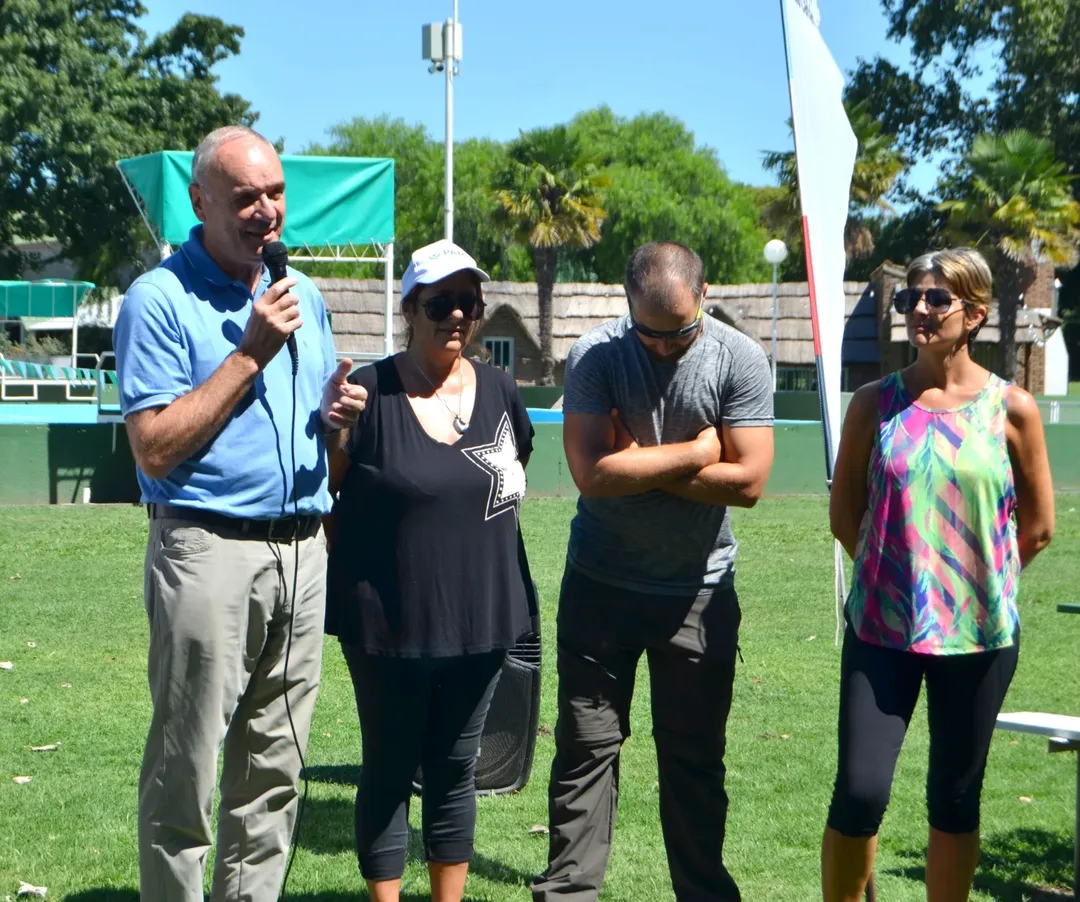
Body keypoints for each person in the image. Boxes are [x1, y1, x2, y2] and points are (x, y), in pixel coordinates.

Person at [113, 125, 367, 902]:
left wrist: (336, 419)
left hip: (303, 549)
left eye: (276, 194)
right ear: (199, 202)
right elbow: (153, 449)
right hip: (207, 550)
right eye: (245, 198)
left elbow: (321, 446)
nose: (266, 213)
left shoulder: (303, 294)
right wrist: (248, 354)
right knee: (186, 768)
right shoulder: (158, 300)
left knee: (274, 774)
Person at [531, 241, 775, 902]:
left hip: (698, 595)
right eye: (649, 334)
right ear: (625, 302)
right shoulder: (595, 357)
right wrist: (696, 454)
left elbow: (749, 481)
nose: (664, 348)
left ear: (704, 293)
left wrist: (641, 463)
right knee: (586, 753)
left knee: (694, 762)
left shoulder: (740, 358)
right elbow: (591, 475)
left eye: (681, 333)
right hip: (600, 588)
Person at [822, 247, 1056, 902]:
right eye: (908, 299)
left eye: (935, 299)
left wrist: (972, 587)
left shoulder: (1013, 409)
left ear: (975, 313)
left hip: (979, 639)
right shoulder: (875, 404)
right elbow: (846, 517)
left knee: (955, 799)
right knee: (860, 792)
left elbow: (1036, 528)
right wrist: (900, 576)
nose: (917, 310)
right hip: (881, 630)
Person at [325, 238, 535, 902]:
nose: (457, 316)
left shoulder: (501, 389)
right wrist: (334, 433)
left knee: (454, 767)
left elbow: (514, 469)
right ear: (410, 307)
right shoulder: (369, 392)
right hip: (390, 622)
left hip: (484, 619)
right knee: (389, 766)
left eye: (469, 303)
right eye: (441, 302)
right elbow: (326, 490)